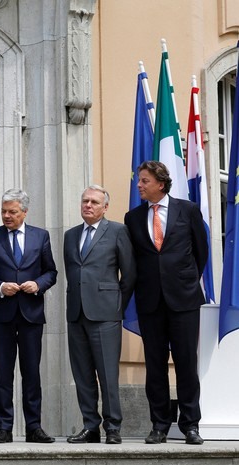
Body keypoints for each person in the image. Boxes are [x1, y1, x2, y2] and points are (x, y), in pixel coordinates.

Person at [124, 161, 208, 445]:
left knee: (186, 362)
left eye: (144, 181)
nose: (139, 185)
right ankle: (159, 424)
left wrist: (183, 280)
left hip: (183, 299)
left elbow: (201, 252)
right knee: (155, 365)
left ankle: (190, 425)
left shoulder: (188, 210)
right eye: (139, 180)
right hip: (150, 301)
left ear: (160, 183)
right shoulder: (132, 217)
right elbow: (134, 259)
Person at [0, 188, 57, 444]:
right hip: (2, 314)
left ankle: (34, 427)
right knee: (4, 373)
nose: (7, 216)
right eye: (4, 211)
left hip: (31, 314)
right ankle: (4, 427)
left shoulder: (40, 236)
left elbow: (51, 271)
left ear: (24, 212)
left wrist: (37, 284)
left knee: (31, 373)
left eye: (12, 212)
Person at [63, 185, 136, 445]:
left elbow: (129, 275)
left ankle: (113, 427)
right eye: (85, 201)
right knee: (82, 375)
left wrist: (117, 305)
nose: (88, 205)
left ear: (105, 207)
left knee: (107, 375)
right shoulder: (71, 236)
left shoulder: (117, 231)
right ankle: (90, 427)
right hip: (76, 314)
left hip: (106, 314)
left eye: (94, 202)